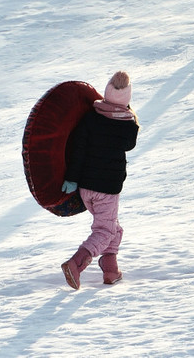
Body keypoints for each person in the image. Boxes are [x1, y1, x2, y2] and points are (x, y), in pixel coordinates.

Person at [60, 71, 140, 289]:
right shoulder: (127, 124)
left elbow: (78, 150)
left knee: (113, 227)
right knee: (105, 231)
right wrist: (128, 112)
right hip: (107, 189)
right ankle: (76, 264)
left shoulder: (91, 117)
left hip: (86, 187)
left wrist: (72, 179)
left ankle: (110, 268)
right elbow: (130, 144)